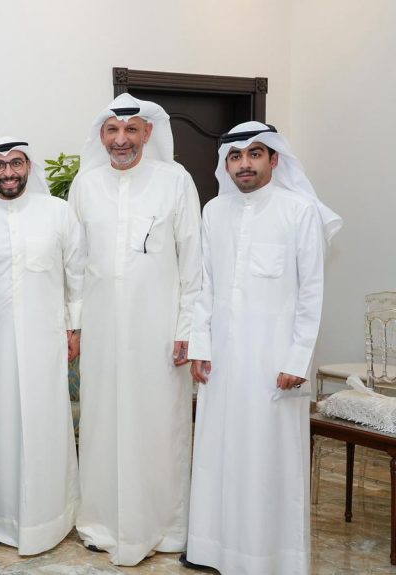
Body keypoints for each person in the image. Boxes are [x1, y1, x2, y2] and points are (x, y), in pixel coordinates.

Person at [183, 122, 341, 574]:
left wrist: (297, 359)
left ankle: (269, 558)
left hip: (274, 361)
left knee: (268, 459)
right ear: (226, 164)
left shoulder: (299, 211)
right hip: (222, 359)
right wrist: (200, 345)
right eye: (235, 156)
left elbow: (311, 293)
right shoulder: (214, 211)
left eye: (255, 154)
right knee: (218, 453)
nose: (244, 164)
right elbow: (205, 286)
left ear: (274, 159)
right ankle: (212, 549)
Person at [69, 94, 202, 565]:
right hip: (102, 329)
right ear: (101, 136)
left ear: (147, 133)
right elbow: (76, 264)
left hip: (160, 330)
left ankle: (165, 526)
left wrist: (188, 326)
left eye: (130, 130)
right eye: (112, 130)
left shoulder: (175, 180)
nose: (121, 140)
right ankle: (101, 522)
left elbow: (193, 260)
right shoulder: (85, 185)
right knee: (102, 423)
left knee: (159, 424)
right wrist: (75, 325)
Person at [0, 137, 84, 555]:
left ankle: (51, 518)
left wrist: (76, 328)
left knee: (46, 427)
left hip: (47, 342)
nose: (8, 172)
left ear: (28, 166)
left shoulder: (58, 212)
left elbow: (76, 275)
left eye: (15, 163)